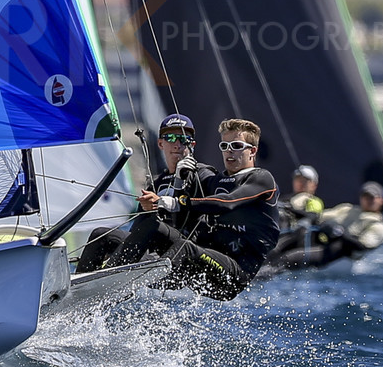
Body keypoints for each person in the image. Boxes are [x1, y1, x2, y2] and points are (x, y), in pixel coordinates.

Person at [76, 115, 280, 301]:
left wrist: (176, 199)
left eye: (236, 145)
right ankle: (77, 293)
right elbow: (142, 230)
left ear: (252, 151)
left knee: (185, 247)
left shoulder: (259, 179)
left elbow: (226, 202)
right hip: (193, 263)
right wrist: (170, 192)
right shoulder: (216, 180)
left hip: (231, 275)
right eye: (225, 146)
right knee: (103, 234)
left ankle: (109, 287)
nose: (229, 151)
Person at [279, 164, 325, 231]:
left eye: (305, 181)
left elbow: (313, 216)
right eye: (297, 180)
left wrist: (291, 208)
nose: (300, 183)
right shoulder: (283, 199)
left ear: (314, 185)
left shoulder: (315, 201)